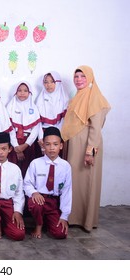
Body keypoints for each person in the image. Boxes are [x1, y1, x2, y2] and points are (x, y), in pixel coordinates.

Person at [61, 65, 111, 232]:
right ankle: (73, 216)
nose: (79, 80)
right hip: (75, 144)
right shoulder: (77, 97)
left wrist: (90, 151)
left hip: (86, 144)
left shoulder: (94, 97)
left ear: (90, 78)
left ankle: (86, 220)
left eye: (83, 76)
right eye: (76, 76)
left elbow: (96, 127)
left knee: (86, 181)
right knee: (74, 181)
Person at [23, 126, 72, 239]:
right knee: (35, 204)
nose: (51, 148)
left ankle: (49, 221)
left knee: (60, 234)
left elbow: (67, 191)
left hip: (53, 203)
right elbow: (27, 184)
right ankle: (38, 224)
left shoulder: (65, 166)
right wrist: (34, 193)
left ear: (61, 145)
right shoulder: (36, 163)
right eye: (48, 144)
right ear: (43, 145)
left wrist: (64, 216)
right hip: (38, 200)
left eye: (55, 144)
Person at [7, 81, 41, 177]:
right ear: (15, 92)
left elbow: (36, 129)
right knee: (13, 169)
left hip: (28, 142)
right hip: (14, 142)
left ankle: (26, 191)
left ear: (29, 93)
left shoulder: (33, 108)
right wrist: (17, 147)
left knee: (27, 169)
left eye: (25, 91)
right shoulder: (10, 107)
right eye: (19, 90)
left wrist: (25, 145)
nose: (22, 93)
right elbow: (10, 128)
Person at [35, 71, 69, 157]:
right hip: (43, 135)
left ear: (57, 83)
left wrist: (57, 137)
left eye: (52, 82)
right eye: (46, 82)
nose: (48, 85)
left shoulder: (64, 99)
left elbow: (64, 120)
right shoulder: (40, 99)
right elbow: (37, 122)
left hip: (58, 135)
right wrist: (41, 138)